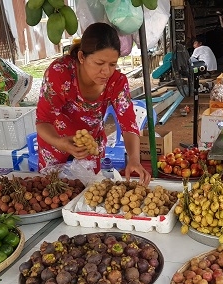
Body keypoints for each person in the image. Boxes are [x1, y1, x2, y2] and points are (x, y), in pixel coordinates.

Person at [36, 22, 151, 185]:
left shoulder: (116, 82)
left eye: (112, 64)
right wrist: (61, 143)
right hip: (55, 141)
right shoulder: (59, 73)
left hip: (90, 145)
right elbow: (43, 122)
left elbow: (129, 124)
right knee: (54, 191)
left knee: (88, 191)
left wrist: (134, 160)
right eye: (99, 63)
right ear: (82, 57)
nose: (106, 71)